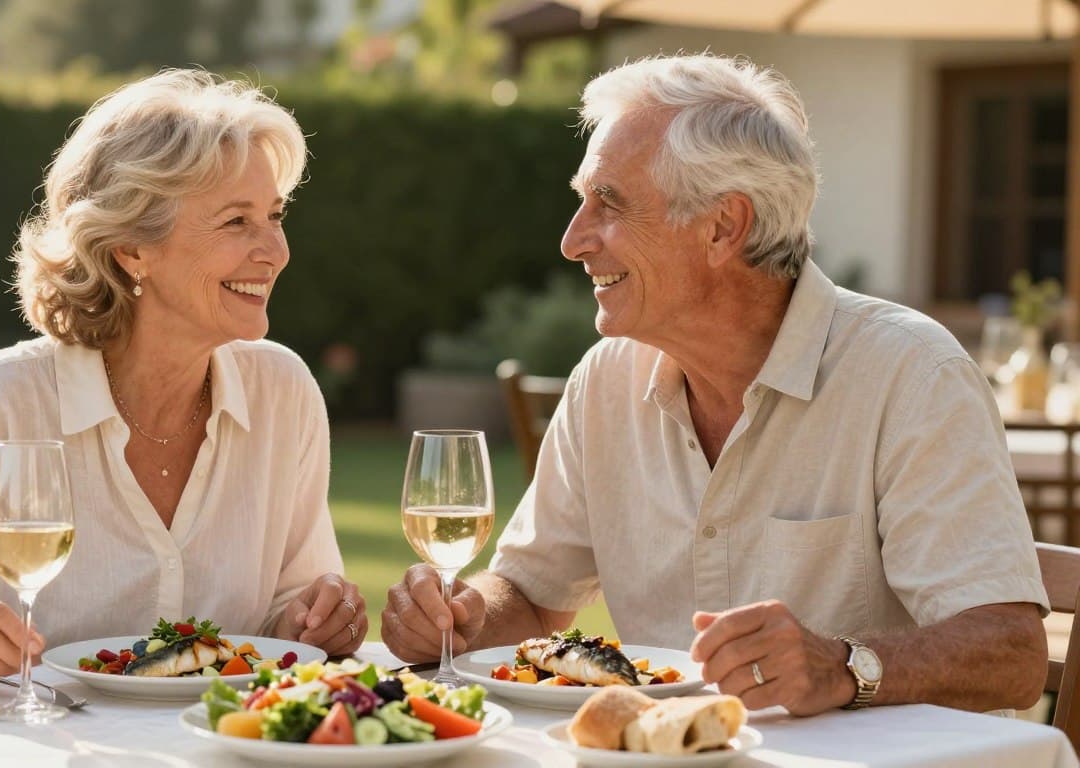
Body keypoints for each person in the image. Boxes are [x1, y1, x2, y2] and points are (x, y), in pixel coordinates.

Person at [382, 54, 1049, 715]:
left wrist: (845, 667)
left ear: (724, 227)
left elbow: (1011, 656)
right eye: (581, 201)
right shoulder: (606, 381)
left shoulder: (911, 376)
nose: (573, 239)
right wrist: (465, 615)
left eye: (608, 203)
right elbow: (530, 597)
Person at [0, 69, 367, 684]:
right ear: (132, 249)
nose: (275, 250)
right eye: (235, 222)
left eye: (274, 216)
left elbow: (293, 608)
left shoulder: (284, 392)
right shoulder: (0, 401)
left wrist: (315, 619)